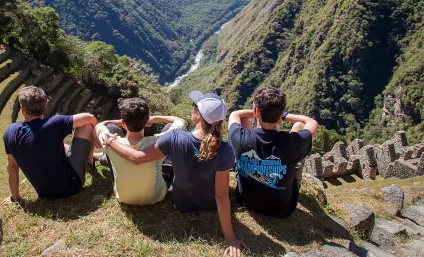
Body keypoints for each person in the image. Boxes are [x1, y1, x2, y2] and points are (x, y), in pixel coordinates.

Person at [102, 91, 247, 256]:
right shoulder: (225, 150)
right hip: (210, 205)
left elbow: (136, 157)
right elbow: (221, 195)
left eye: (194, 106)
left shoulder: (175, 137)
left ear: (198, 114)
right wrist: (230, 238)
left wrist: (110, 141)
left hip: (181, 203)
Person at [228, 86, 318, 219]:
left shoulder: (239, 138)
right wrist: (282, 115)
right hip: (280, 208)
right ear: (279, 116)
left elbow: (235, 115)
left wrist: (260, 112)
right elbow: (311, 122)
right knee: (300, 127)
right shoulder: (291, 143)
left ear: (257, 111)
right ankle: (296, 177)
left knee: (243, 120)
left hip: (246, 200)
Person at [3, 86, 101, 202]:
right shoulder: (54, 124)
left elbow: (13, 167)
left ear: (22, 110)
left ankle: (94, 157)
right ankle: (89, 163)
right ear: (45, 107)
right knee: (86, 126)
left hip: (44, 193)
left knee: (60, 145)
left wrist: (15, 198)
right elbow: (90, 118)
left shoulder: (10, 132)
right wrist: (94, 136)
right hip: (72, 185)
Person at [95, 97, 186, 205]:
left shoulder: (110, 140)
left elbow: (100, 125)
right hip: (156, 196)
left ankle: (102, 157)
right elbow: (181, 121)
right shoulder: (160, 141)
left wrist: (122, 121)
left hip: (124, 197)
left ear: (124, 124)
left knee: (110, 127)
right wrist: (154, 118)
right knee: (170, 130)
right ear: (146, 121)